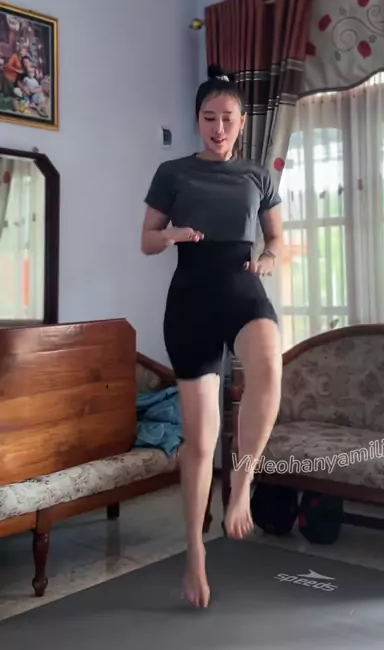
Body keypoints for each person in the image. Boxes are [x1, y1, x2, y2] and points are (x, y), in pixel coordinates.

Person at [141, 65, 283, 608]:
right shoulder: (172, 172)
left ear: (242, 122)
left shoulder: (257, 176)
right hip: (191, 300)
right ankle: (195, 554)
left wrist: (269, 259)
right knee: (201, 443)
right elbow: (146, 239)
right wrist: (172, 234)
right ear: (197, 120)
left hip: (243, 288)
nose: (218, 128)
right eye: (208, 118)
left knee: (268, 367)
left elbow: (276, 240)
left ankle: (241, 485)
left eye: (227, 119)